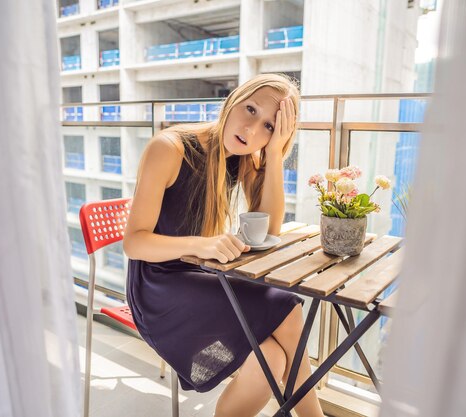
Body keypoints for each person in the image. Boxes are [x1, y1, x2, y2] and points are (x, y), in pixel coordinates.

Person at [123, 73, 324, 417]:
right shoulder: (169, 148)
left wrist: (274, 154)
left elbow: (269, 228)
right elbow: (134, 243)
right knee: (287, 308)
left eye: (269, 128)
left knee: (271, 359)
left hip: (199, 278)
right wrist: (202, 245)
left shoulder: (241, 154)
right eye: (250, 110)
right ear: (234, 98)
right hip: (158, 290)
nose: (251, 131)